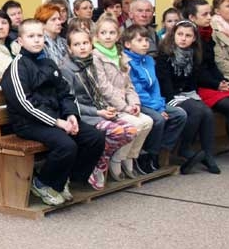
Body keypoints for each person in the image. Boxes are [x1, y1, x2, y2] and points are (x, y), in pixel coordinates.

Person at [1, 19, 105, 206]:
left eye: (40, 36)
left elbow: (65, 92)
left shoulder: (48, 63)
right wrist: (57, 122)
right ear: (20, 41)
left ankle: (63, 179)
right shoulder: (17, 67)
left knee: (94, 138)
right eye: (31, 36)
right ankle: (42, 183)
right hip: (28, 122)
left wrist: (71, 115)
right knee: (66, 145)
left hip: (57, 117)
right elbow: (25, 104)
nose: (36, 40)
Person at [60, 28, 137, 189]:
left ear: (91, 44)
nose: (82, 47)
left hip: (99, 109)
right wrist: (97, 112)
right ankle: (100, 165)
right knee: (116, 132)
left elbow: (99, 92)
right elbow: (70, 102)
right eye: (77, 44)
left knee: (131, 130)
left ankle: (100, 162)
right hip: (84, 115)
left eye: (85, 43)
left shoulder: (92, 63)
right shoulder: (66, 69)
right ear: (69, 48)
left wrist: (107, 107)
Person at [182, 0, 229, 167]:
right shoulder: (187, 36)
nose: (209, 17)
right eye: (205, 14)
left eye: (210, 13)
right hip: (198, 86)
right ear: (192, 17)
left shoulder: (207, 34)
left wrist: (221, 80)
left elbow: (212, 64)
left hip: (212, 82)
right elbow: (195, 71)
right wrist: (215, 84)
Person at [90, 16, 154, 180]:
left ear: (118, 36)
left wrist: (134, 104)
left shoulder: (120, 55)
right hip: (110, 106)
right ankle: (117, 159)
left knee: (148, 121)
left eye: (112, 32)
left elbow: (129, 85)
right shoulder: (96, 57)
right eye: (103, 33)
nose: (108, 36)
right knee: (136, 124)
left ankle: (130, 156)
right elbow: (104, 88)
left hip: (126, 104)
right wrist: (124, 107)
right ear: (96, 36)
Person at [122, 25, 187, 173]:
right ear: (128, 44)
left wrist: (160, 106)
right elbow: (137, 90)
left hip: (154, 102)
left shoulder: (149, 60)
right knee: (158, 119)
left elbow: (155, 86)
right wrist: (157, 108)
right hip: (137, 102)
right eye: (139, 40)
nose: (145, 44)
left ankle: (161, 150)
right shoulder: (127, 62)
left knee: (179, 114)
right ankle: (146, 154)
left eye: (146, 40)